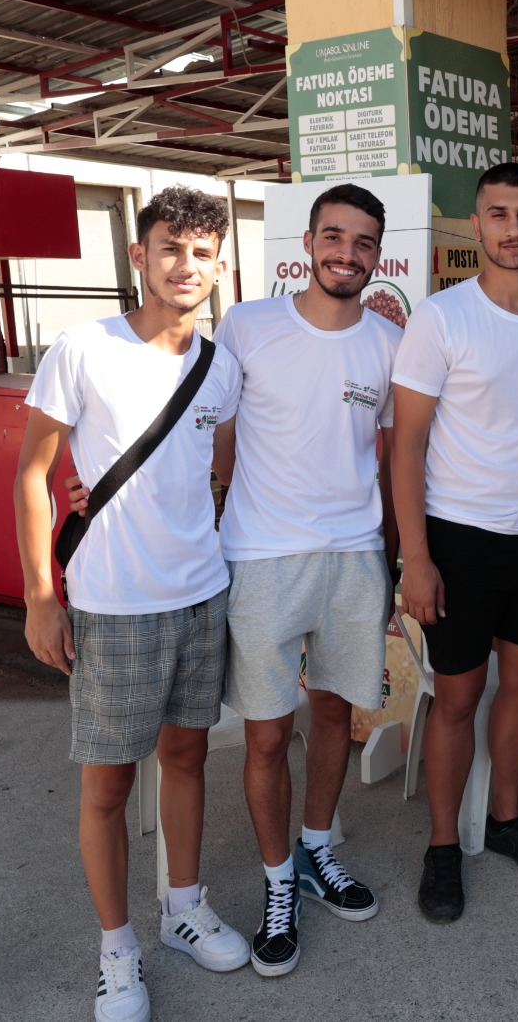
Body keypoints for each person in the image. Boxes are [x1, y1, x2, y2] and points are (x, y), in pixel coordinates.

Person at [14, 186, 249, 1022]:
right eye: (171, 248)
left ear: (219, 267)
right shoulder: (83, 349)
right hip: (112, 606)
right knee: (107, 786)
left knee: (188, 758)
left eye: (202, 253)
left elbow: (219, 471)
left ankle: (183, 908)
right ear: (139, 256)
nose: (186, 265)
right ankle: (117, 950)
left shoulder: (222, 366)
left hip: (201, 595)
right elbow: (33, 474)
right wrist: (42, 597)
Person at [210, 183, 399, 974]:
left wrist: (393, 559)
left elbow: (387, 459)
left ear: (377, 254)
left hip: (354, 558)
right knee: (264, 732)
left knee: (334, 714)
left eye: (362, 242)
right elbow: (216, 443)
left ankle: (317, 851)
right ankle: (278, 881)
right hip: (261, 559)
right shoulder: (248, 325)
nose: (346, 254)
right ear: (308, 243)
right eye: (334, 237)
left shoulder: (388, 343)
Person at [392, 162, 518, 923]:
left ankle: (506, 818)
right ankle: (443, 845)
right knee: (458, 698)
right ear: (476, 226)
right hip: (459, 538)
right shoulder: (441, 318)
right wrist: (416, 557)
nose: (513, 228)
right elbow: (406, 446)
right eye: (499, 214)